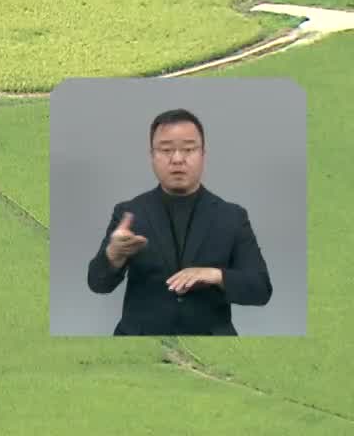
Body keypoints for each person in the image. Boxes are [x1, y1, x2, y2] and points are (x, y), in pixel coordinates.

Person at [86, 108, 272, 335]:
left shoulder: (232, 216)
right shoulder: (130, 213)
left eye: (188, 149)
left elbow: (261, 289)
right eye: (165, 150)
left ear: (203, 154)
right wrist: (113, 255)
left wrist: (215, 275)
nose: (177, 159)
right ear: (152, 155)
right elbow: (97, 284)